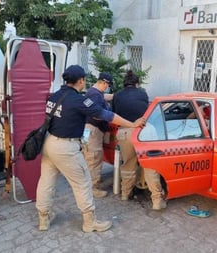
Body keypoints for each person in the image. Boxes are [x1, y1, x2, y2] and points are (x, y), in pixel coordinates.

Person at [36, 65, 146, 232]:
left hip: (49, 143)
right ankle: (89, 221)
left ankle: (43, 218)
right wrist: (132, 124)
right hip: (66, 147)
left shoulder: (55, 96)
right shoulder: (79, 100)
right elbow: (106, 115)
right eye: (84, 80)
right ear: (81, 81)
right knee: (83, 182)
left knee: (46, 182)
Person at [112, 70, 167, 210]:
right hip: (142, 132)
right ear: (137, 84)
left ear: (124, 84)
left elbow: (114, 113)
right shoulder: (142, 93)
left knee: (128, 164)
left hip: (124, 131)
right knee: (149, 166)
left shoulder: (117, 95)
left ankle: (125, 194)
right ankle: (156, 200)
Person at [83, 72, 114, 198]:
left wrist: (115, 96)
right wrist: (110, 117)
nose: (107, 88)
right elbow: (96, 114)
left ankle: (90, 182)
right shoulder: (95, 95)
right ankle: (92, 189)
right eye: (107, 85)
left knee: (88, 158)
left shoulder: (93, 92)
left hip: (88, 130)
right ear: (103, 82)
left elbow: (104, 97)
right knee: (94, 159)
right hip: (94, 131)